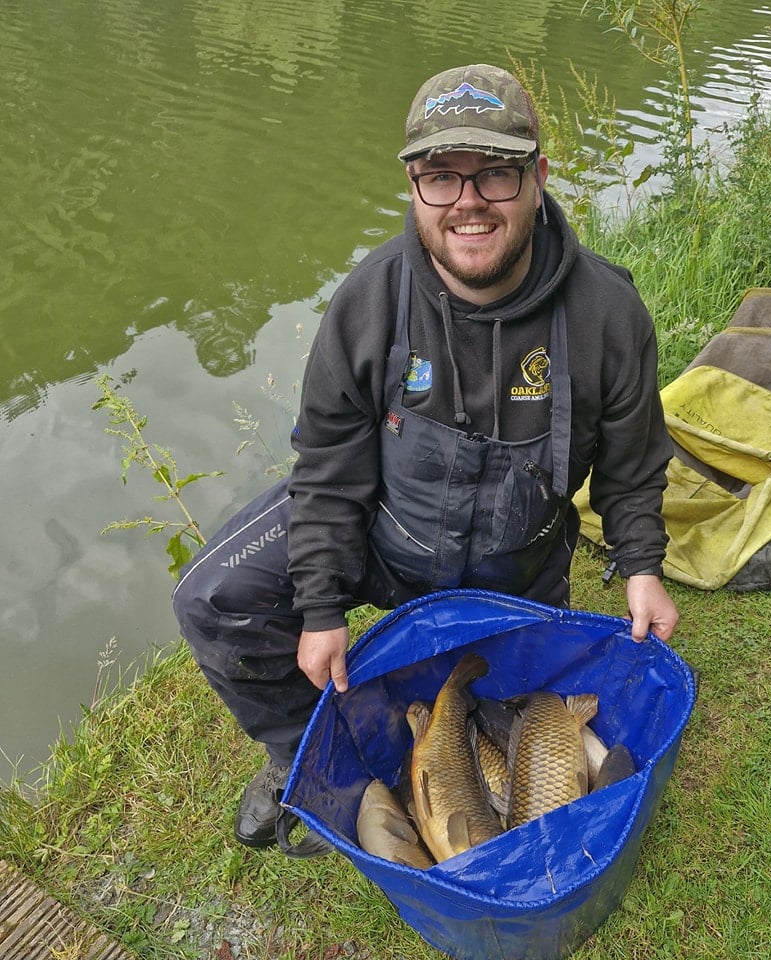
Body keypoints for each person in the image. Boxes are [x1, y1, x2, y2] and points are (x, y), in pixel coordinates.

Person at [172, 63, 679, 850]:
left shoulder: (608, 314)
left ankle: (434, 739)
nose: (468, 201)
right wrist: (320, 607)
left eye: (496, 175)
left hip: (516, 570)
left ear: (538, 179)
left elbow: (634, 459)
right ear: (413, 186)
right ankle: (299, 756)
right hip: (387, 543)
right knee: (212, 598)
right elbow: (329, 466)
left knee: (522, 732)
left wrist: (641, 564)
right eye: (442, 177)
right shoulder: (368, 300)